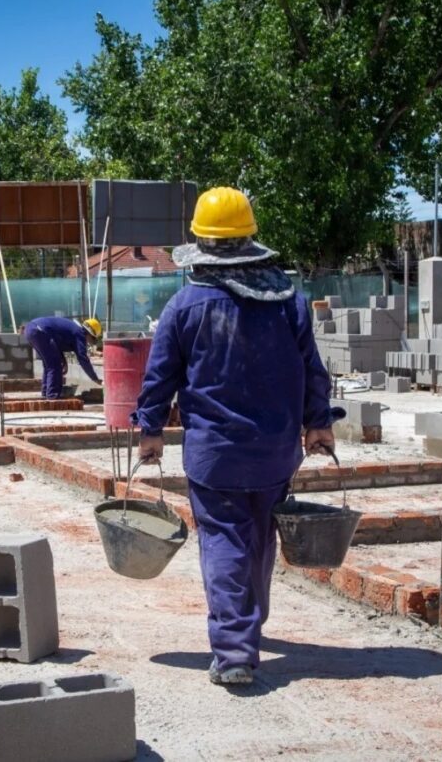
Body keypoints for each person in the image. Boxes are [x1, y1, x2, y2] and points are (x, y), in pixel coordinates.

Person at [131, 186, 334, 687]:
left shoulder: (184, 306)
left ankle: (235, 651)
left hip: (215, 455)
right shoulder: (290, 304)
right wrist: (319, 423)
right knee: (261, 538)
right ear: (249, 239)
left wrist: (151, 430)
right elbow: (313, 370)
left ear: (201, 242)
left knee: (224, 542)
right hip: (275, 452)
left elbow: (159, 377)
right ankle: (250, 625)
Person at [20, 316, 102, 399]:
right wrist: (94, 378)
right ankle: (52, 397)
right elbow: (83, 358)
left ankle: (45, 394)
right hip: (40, 331)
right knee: (54, 366)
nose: (90, 342)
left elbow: (56, 343)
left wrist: (63, 359)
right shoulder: (79, 334)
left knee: (49, 365)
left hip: (31, 329)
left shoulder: (74, 329)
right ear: (89, 333)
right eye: (93, 339)